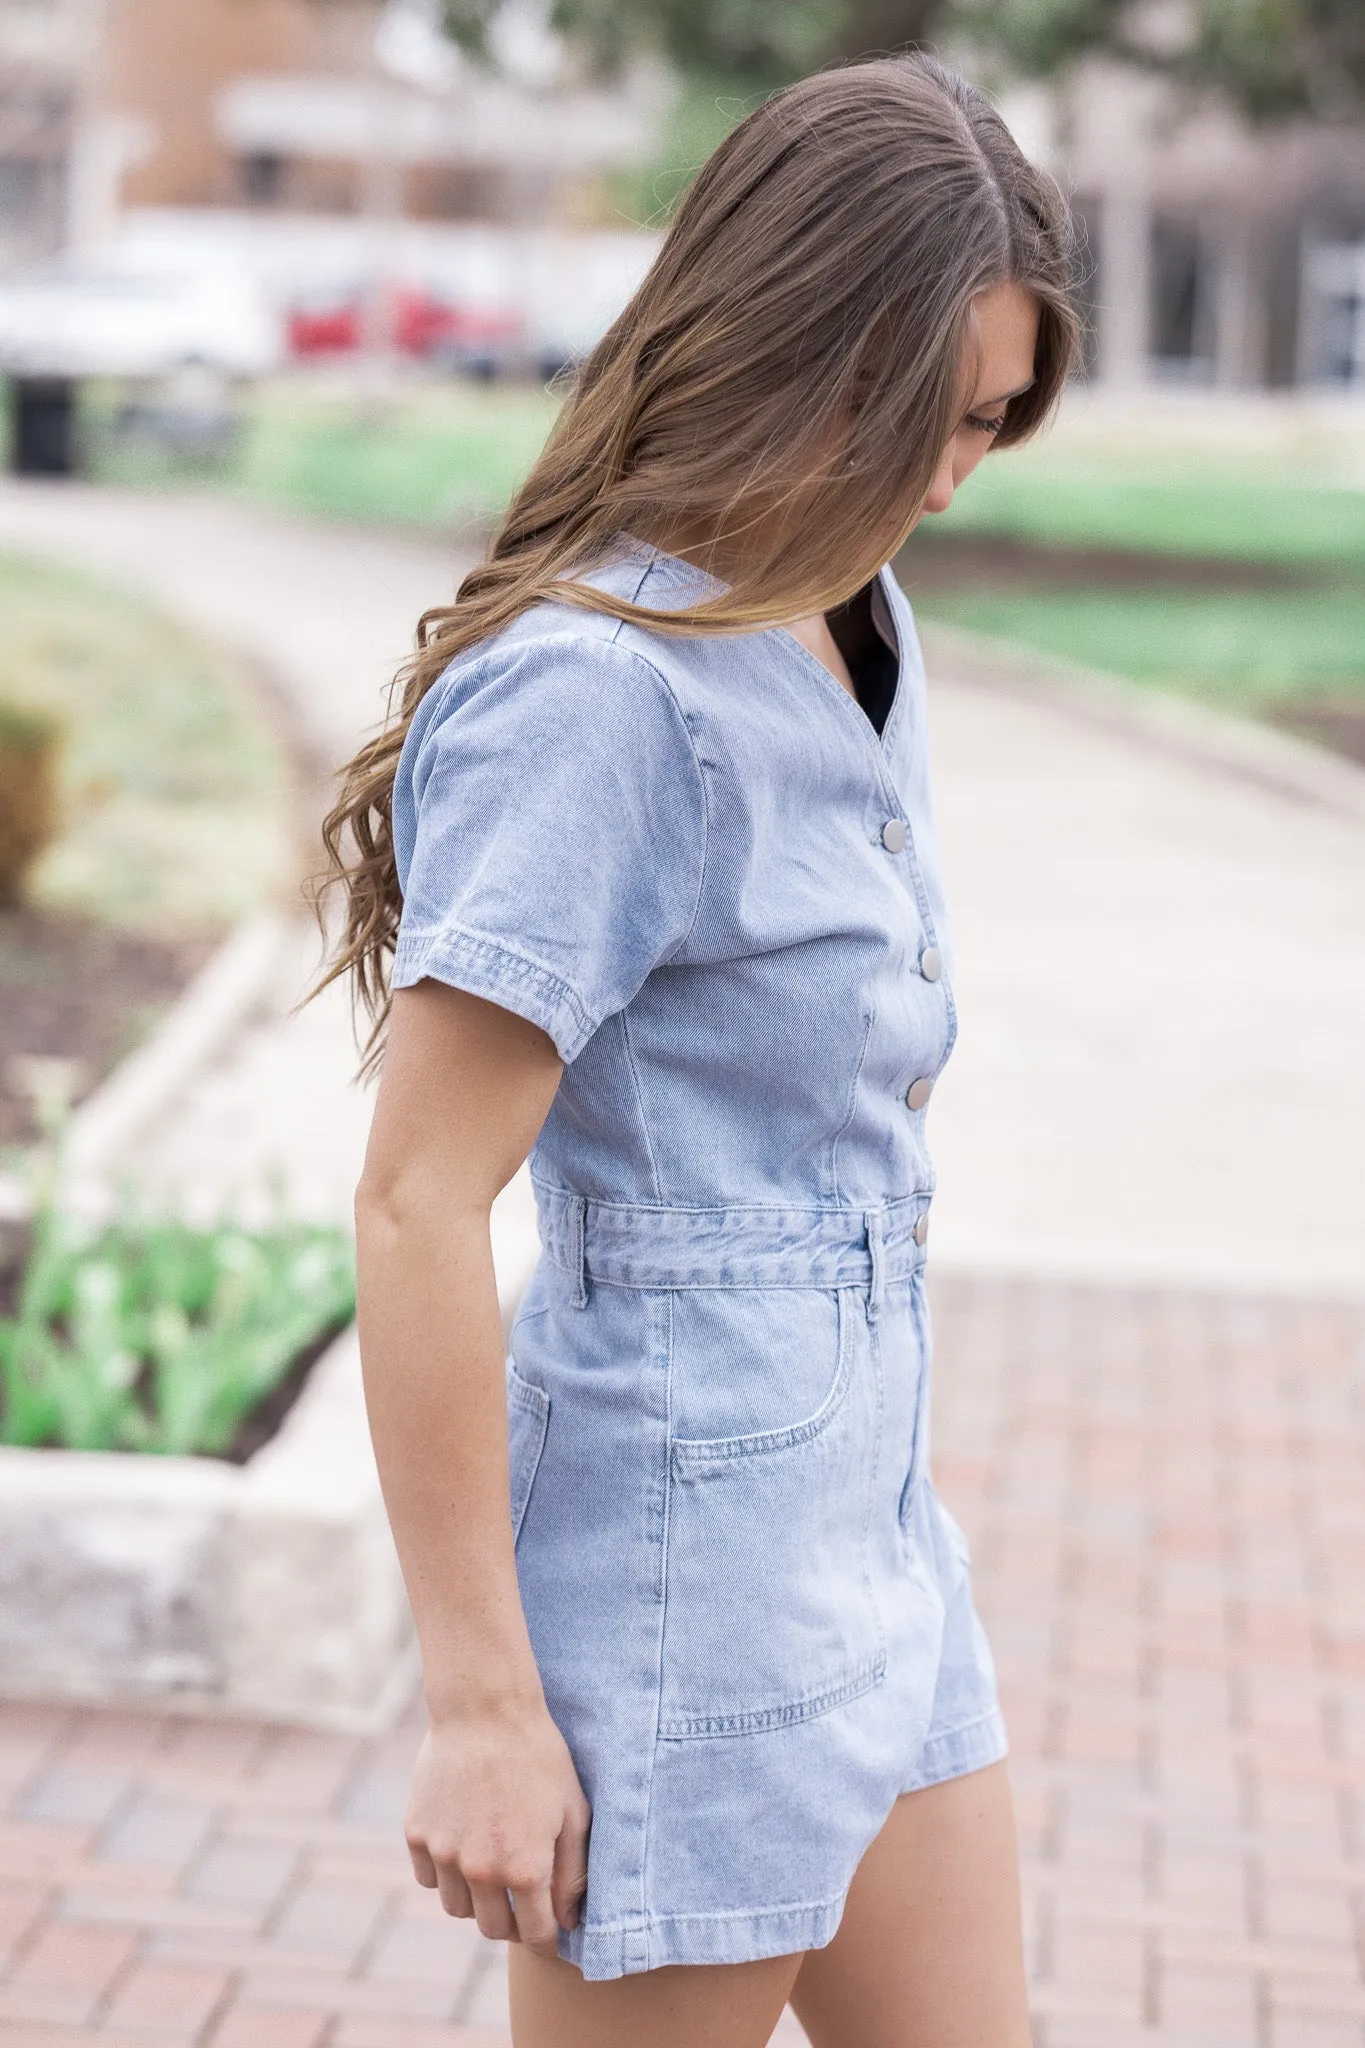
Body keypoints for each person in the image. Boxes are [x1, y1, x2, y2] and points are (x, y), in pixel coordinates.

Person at [318, 51, 1079, 2048]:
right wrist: (484, 1702)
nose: (946, 475)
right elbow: (414, 1200)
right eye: (925, 415)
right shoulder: (601, 698)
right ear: (789, 344)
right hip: (683, 1569)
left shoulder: (848, 611)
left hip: (874, 1535)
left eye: (991, 425)